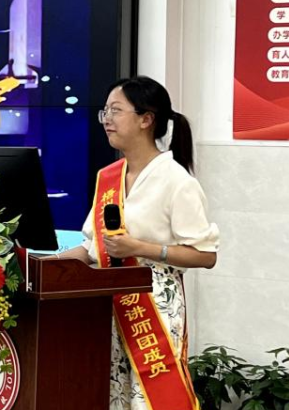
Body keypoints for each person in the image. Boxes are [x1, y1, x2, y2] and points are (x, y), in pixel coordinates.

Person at [51, 76, 219, 410]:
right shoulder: (109, 177)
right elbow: (92, 248)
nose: (107, 120)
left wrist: (139, 248)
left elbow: (205, 255)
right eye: (105, 112)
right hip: (109, 305)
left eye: (116, 111)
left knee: (151, 400)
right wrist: (45, 263)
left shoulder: (177, 181)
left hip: (154, 309)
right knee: (116, 397)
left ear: (146, 119)